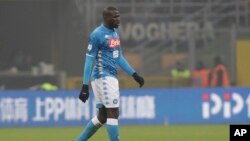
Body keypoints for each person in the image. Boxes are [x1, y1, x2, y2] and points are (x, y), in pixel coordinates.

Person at [76, 6, 144, 141]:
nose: (118, 20)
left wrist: (134, 74)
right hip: (104, 76)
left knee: (103, 116)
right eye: (115, 17)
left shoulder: (114, 33)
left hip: (108, 77)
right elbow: (89, 61)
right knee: (113, 112)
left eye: (118, 16)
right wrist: (84, 86)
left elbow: (119, 57)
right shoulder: (97, 35)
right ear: (106, 18)